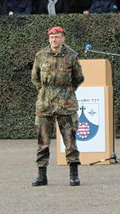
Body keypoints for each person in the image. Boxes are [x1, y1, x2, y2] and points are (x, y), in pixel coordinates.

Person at [31, 26, 85, 187]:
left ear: (63, 38)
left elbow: (78, 78)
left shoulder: (72, 56)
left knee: (70, 140)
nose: (55, 39)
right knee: (43, 140)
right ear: (49, 39)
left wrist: (66, 92)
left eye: (58, 37)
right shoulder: (40, 55)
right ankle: (42, 175)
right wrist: (45, 91)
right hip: (45, 103)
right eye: (52, 37)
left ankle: (74, 175)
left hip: (66, 103)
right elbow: (35, 78)